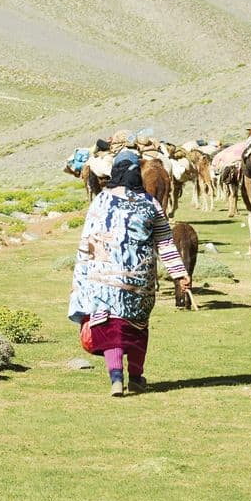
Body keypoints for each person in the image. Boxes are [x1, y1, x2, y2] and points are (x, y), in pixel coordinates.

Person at [68, 148, 189, 396]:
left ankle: (116, 378)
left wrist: (81, 279)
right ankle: (136, 376)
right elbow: (165, 242)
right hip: (139, 279)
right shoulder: (150, 203)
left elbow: (86, 243)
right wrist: (179, 274)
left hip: (104, 279)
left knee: (112, 326)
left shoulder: (100, 201)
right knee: (136, 327)